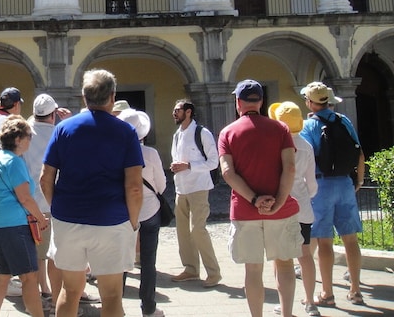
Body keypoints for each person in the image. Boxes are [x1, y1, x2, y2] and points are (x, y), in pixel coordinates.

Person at [40, 69, 144, 317]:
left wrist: (58, 209)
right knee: (111, 296)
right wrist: (133, 220)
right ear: (112, 96)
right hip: (112, 219)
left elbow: (45, 177)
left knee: (70, 290)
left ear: (84, 98)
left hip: (68, 218)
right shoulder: (125, 132)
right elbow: (134, 186)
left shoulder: (63, 129)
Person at [218, 79, 301, 317]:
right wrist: (279, 202)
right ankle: (286, 314)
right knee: (284, 264)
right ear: (261, 101)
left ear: (238, 103)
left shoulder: (227, 133)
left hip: (245, 210)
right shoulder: (281, 129)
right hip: (282, 210)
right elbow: (290, 168)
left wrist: (255, 200)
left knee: (253, 271)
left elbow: (227, 172)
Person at [299, 81, 366, 307]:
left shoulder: (308, 126)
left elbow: (306, 159)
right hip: (345, 184)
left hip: (321, 187)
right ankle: (356, 290)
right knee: (350, 240)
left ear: (309, 102)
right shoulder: (344, 120)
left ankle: (327, 293)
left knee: (324, 242)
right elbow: (359, 154)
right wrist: (357, 180)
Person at [0, 115, 49, 317]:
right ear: (18, 139)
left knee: (2, 276)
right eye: (29, 136)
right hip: (14, 224)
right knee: (29, 277)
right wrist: (41, 218)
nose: (30, 140)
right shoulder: (14, 162)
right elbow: (25, 198)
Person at [24, 93, 77, 307]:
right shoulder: (60, 132)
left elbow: (32, 120)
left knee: (37, 255)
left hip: (32, 203)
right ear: (54, 114)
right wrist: (68, 119)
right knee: (55, 256)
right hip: (56, 203)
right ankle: (56, 300)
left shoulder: (26, 132)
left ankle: (40, 294)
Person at [268, 101, 319, 317]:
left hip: (280, 207)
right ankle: (310, 301)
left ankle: (283, 302)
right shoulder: (306, 146)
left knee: (280, 258)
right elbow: (312, 184)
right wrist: (306, 196)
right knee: (305, 255)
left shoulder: (273, 144)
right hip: (303, 208)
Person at [169, 99, 221, 287]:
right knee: (183, 232)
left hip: (199, 187)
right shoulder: (177, 135)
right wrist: (176, 167)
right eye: (174, 110)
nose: (174, 113)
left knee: (198, 230)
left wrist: (189, 165)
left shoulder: (202, 133)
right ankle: (191, 269)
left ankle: (214, 273)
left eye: (178, 110)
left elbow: (214, 162)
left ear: (188, 112)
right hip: (181, 188)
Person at [119, 108, 165, 317]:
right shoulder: (151, 153)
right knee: (148, 262)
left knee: (121, 261)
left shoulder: (115, 153)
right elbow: (162, 186)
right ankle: (148, 307)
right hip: (150, 210)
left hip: (124, 211)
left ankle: (115, 306)